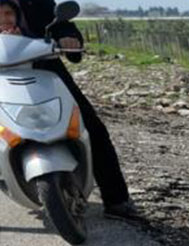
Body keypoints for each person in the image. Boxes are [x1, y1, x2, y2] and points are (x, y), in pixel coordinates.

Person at [16, 0, 138, 219]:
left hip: (45, 71)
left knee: (90, 128)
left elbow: (59, 24)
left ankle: (117, 200)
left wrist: (69, 38)